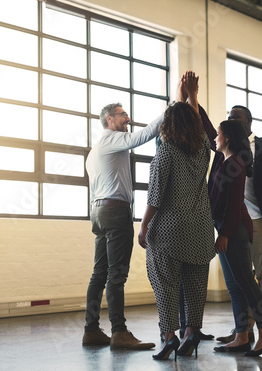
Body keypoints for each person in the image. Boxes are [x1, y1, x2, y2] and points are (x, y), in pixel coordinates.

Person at [138, 72, 215, 361]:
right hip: (201, 231)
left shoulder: (165, 153)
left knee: (165, 284)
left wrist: (144, 225)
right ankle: (192, 331)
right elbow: (198, 125)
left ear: (167, 125)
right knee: (196, 286)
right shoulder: (204, 150)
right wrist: (192, 95)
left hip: (169, 231)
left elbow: (155, 197)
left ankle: (169, 335)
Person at [82, 102, 162, 350]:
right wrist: (171, 109)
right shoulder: (112, 139)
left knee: (100, 274)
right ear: (109, 119)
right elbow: (146, 134)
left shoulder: (94, 151)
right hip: (115, 212)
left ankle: (91, 330)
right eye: (123, 114)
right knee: (116, 275)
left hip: (99, 212)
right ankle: (119, 332)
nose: (128, 118)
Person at [215, 106, 262, 347]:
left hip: (258, 219)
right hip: (232, 221)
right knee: (237, 279)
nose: (231, 120)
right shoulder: (225, 149)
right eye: (229, 117)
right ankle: (242, 331)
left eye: (236, 117)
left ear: (249, 121)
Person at [206, 119, 262, 356]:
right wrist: (193, 100)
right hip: (227, 228)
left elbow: (235, 204)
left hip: (233, 230)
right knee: (235, 285)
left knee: (245, 280)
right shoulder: (223, 160)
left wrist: (225, 233)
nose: (214, 137)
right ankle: (241, 335)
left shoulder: (234, 164)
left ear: (226, 138)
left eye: (218, 134)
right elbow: (207, 130)